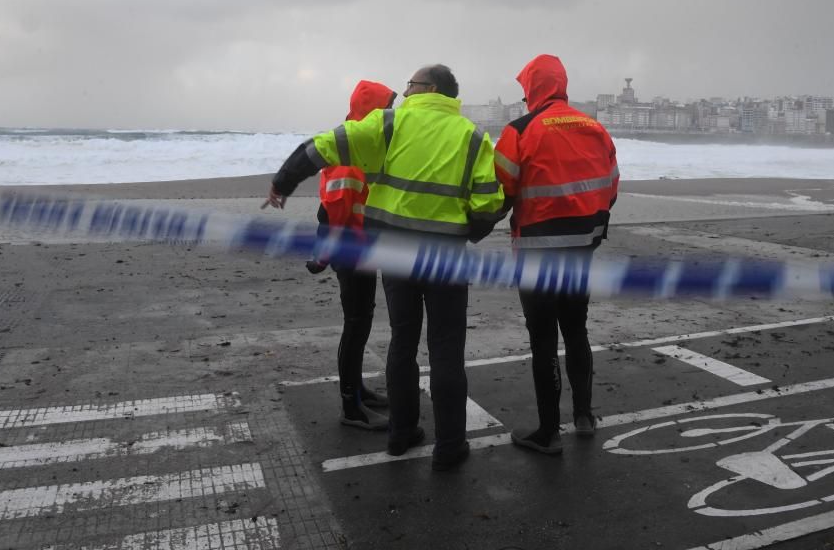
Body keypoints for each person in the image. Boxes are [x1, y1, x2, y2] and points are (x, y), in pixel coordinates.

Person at [265, 64, 504, 470]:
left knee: (402, 341)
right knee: (447, 350)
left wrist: (283, 182)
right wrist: (469, 231)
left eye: (410, 84)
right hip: (446, 256)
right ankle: (449, 448)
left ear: (427, 87)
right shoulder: (473, 137)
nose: (405, 90)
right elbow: (488, 203)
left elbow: (323, 145)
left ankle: (401, 434)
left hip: (395, 253)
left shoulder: (390, 123)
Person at [493, 54, 619, 455]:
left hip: (535, 255)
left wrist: (472, 225)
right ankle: (583, 415)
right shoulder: (595, 129)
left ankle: (548, 432)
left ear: (532, 87)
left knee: (543, 340)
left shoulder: (520, 130)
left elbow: (501, 192)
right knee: (576, 329)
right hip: (581, 249)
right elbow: (611, 186)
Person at [307, 80, 397, 431]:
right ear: (371, 111)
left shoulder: (361, 144)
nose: (392, 114)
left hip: (361, 248)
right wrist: (324, 256)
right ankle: (351, 406)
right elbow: (334, 214)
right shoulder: (349, 154)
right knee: (356, 324)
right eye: (387, 107)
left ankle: (358, 390)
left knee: (361, 320)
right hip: (351, 251)